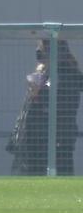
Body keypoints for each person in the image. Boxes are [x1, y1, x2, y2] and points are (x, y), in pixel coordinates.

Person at [8, 39, 83, 175]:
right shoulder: (45, 74)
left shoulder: (67, 74)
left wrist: (39, 93)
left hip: (55, 137)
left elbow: (62, 102)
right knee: (31, 172)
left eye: (41, 53)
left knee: (58, 171)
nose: (40, 59)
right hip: (38, 136)